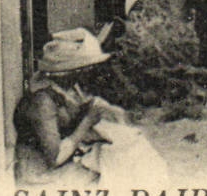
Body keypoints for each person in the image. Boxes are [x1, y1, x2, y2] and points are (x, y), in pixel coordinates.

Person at [15, 29, 162, 186]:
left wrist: (119, 114)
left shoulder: (67, 89)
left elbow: (80, 112)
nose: (89, 71)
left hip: (66, 159)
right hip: (41, 174)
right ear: (69, 71)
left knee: (135, 151)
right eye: (85, 68)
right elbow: (55, 158)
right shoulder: (42, 102)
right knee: (124, 165)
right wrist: (87, 121)